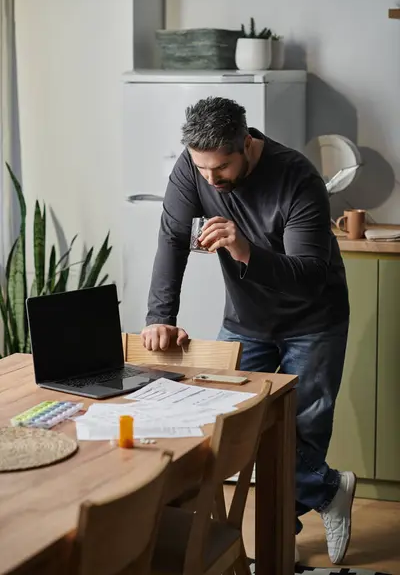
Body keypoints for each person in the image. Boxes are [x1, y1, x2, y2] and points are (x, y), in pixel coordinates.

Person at [141, 96, 356, 565]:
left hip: (314, 320)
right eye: (202, 170)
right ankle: (329, 489)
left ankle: (281, 544)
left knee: (303, 430)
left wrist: (245, 252)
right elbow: (173, 239)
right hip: (246, 320)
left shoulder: (297, 178)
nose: (211, 181)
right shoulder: (193, 167)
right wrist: (160, 316)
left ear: (247, 143)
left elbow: (309, 276)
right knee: (234, 427)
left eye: (221, 168)